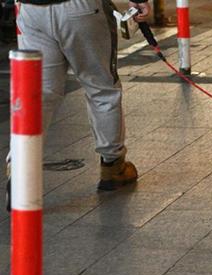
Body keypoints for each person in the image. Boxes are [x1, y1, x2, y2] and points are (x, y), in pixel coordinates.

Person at [7, 0, 150, 197]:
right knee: (101, 88)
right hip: (81, 9)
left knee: (39, 92)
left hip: (31, 10)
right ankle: (113, 166)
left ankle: (19, 166)